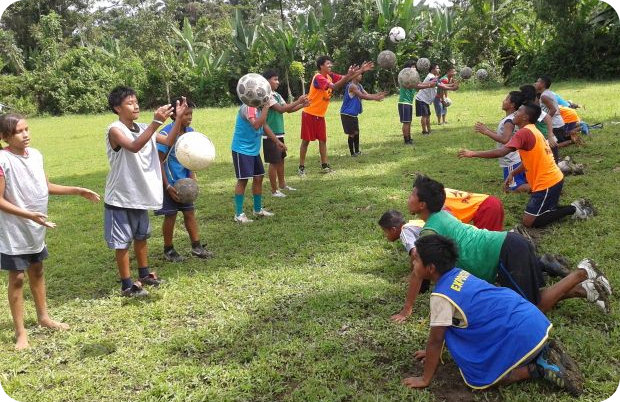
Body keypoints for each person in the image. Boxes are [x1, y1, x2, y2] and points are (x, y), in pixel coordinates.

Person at [389, 174, 611, 323]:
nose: (407, 198)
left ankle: (583, 272)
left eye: (411, 195)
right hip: (509, 245)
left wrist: (407, 308)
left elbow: (417, 273)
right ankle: (587, 290)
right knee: (521, 302)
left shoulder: (428, 233)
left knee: (531, 308)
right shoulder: (442, 213)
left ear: (422, 205)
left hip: (505, 253)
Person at [402, 234, 584, 396]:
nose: (413, 263)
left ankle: (538, 368)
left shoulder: (441, 297)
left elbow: (436, 339)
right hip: (532, 318)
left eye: (416, 260)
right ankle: (542, 351)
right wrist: (430, 352)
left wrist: (425, 379)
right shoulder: (459, 274)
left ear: (431, 268)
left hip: (523, 333)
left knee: (483, 380)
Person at [0, 114, 100, 349]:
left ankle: (44, 317)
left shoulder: (36, 155)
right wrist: (29, 215)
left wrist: (77, 190)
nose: (26, 134)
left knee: (37, 269)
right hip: (13, 230)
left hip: (37, 227)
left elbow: (45, 187)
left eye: (27, 129)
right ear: (4, 137)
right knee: (17, 278)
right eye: (18, 131)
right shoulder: (3, 160)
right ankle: (21, 332)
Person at [104, 86, 186, 297]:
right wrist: (156, 122)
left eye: (136, 101)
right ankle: (126, 285)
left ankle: (145, 274)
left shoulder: (142, 127)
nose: (136, 105)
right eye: (129, 103)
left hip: (139, 194)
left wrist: (177, 119)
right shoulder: (114, 129)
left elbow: (168, 141)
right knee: (122, 243)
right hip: (120, 197)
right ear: (117, 108)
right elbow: (133, 146)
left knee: (141, 237)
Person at [459, 102, 595, 228]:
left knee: (529, 221)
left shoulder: (524, 133)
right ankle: (564, 208)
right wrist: (513, 173)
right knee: (546, 210)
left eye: (519, 111)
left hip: (547, 183)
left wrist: (472, 153)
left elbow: (502, 151)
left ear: (525, 117)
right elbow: (530, 160)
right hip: (555, 180)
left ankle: (574, 209)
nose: (515, 113)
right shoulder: (533, 130)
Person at [154, 97, 213, 262]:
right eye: (186, 114)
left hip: (185, 182)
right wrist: (167, 186)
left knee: (190, 213)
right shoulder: (166, 134)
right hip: (168, 183)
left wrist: (192, 179)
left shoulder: (190, 132)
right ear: (175, 115)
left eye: (191, 114)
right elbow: (159, 160)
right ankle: (169, 249)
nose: (189, 117)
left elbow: (190, 158)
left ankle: (197, 246)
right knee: (170, 216)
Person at [298, 56, 373, 175]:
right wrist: (350, 75)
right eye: (328, 64)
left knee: (322, 140)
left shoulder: (330, 76)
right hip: (309, 113)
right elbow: (334, 86)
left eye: (330, 63)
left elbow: (347, 78)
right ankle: (301, 167)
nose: (330, 65)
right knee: (306, 141)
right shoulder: (318, 77)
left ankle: (325, 165)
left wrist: (361, 70)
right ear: (321, 66)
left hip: (320, 115)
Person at [232, 101, 286, 223]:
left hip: (253, 151)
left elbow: (264, 126)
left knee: (258, 177)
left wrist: (277, 141)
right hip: (242, 150)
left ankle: (257, 209)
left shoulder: (257, 109)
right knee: (243, 179)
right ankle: (239, 214)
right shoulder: (249, 107)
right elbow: (256, 125)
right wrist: (266, 108)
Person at [262, 69, 309, 197]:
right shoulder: (266, 96)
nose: (278, 82)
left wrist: (302, 105)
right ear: (266, 81)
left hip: (279, 133)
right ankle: (274, 190)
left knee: (281, 160)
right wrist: (299, 101)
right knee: (274, 162)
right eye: (275, 79)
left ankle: (282, 185)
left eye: (278, 79)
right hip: (270, 134)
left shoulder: (276, 95)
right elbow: (281, 109)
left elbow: (288, 109)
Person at [473, 91, 529, 193]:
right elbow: (504, 136)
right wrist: (488, 130)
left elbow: (505, 140)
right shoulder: (511, 118)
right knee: (516, 182)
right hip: (515, 159)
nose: (503, 101)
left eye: (506, 99)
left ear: (512, 105)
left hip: (511, 160)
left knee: (512, 188)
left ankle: (541, 188)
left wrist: (486, 132)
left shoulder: (509, 121)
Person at [340, 73, 387, 156]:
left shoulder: (359, 85)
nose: (361, 76)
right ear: (354, 76)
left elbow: (366, 95)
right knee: (352, 133)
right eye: (359, 74)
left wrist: (378, 95)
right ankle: (352, 153)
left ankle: (357, 151)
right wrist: (376, 97)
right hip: (347, 114)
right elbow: (362, 96)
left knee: (356, 132)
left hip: (353, 114)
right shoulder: (352, 86)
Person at [397, 60, 436, 145]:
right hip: (404, 103)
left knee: (409, 122)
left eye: (415, 67)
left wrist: (431, 82)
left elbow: (420, 84)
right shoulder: (406, 78)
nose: (415, 68)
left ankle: (409, 138)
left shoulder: (412, 78)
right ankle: (406, 140)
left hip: (408, 103)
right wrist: (429, 85)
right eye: (413, 67)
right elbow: (417, 86)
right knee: (406, 122)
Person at [414, 63, 457, 136]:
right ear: (433, 69)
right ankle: (424, 132)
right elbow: (441, 86)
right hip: (421, 99)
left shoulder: (433, 77)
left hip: (425, 100)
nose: (439, 69)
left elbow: (442, 84)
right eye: (437, 68)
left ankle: (429, 130)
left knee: (427, 115)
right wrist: (452, 88)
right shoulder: (431, 77)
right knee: (424, 116)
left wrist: (452, 85)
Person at [535, 76, 566, 162]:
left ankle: (555, 164)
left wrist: (544, 121)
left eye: (537, 82)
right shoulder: (548, 93)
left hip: (555, 124)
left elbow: (553, 109)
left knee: (551, 146)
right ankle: (555, 162)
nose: (535, 83)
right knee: (552, 147)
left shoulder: (544, 96)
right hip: (557, 122)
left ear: (543, 84)